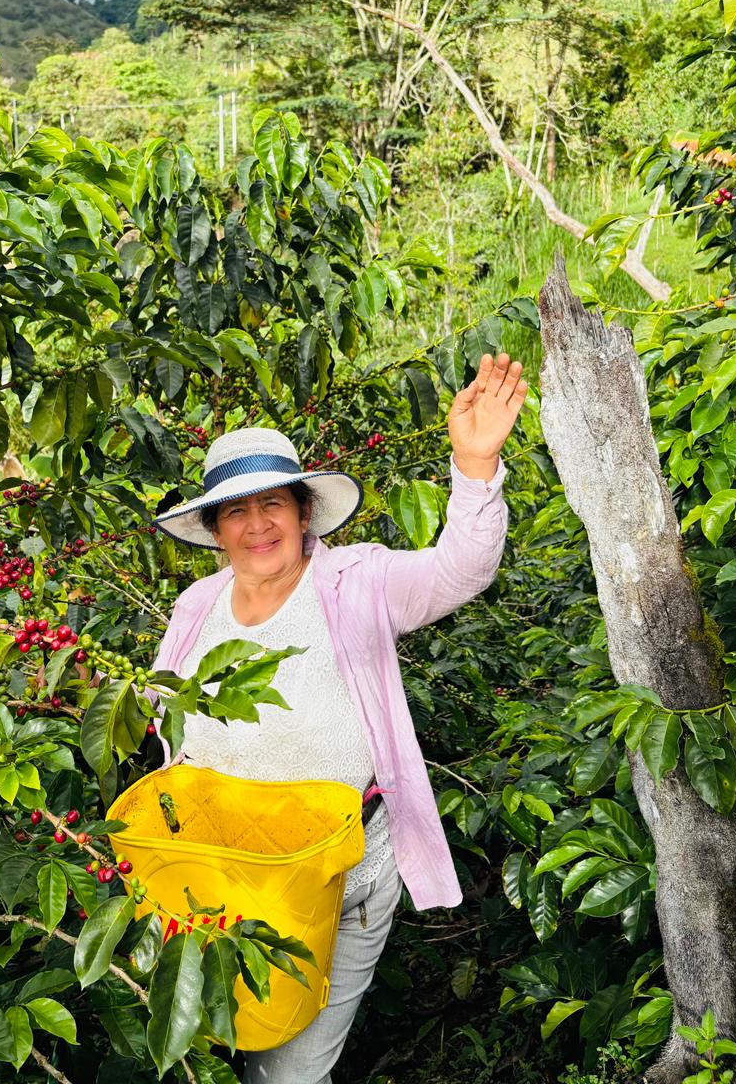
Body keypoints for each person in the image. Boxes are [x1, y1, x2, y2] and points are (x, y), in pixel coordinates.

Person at [152, 352, 529, 1084]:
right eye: (236, 510)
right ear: (215, 529)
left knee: (290, 1072)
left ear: (301, 512)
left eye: (273, 504)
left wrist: (474, 466)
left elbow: (460, 570)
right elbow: (165, 720)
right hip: (228, 877)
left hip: (343, 873)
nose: (257, 525)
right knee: (230, 1046)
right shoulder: (195, 608)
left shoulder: (359, 582)